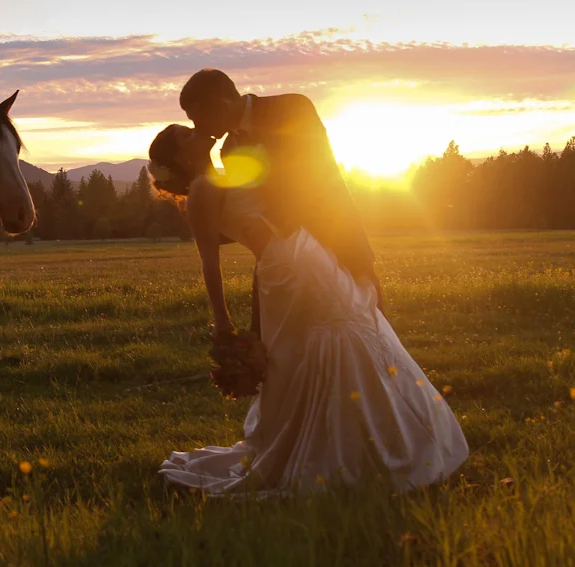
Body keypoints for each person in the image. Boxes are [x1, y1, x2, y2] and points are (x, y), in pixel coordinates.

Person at [147, 124, 467, 493]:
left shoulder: (222, 172)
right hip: (284, 269)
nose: (195, 130)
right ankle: (349, 449)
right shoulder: (202, 189)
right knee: (330, 338)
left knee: (351, 327)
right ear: (179, 157)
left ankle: (375, 440)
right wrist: (222, 320)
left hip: (304, 250)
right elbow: (209, 261)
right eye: (185, 135)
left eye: (191, 126)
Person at [178, 68, 381, 334]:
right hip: (280, 263)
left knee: (362, 331)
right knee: (276, 349)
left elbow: (309, 176)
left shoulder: (292, 108)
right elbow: (243, 212)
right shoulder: (229, 149)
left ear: (220, 105)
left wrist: (270, 225)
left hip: (336, 241)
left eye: (197, 118)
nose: (197, 128)